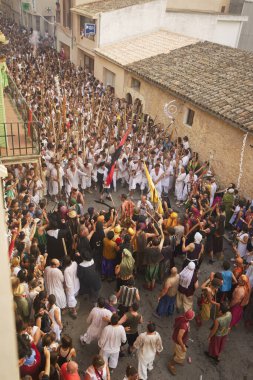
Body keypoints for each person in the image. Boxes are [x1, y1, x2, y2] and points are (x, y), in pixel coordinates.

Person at [167, 309, 195, 376]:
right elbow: (179, 338)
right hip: (179, 342)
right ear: (190, 319)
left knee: (176, 350)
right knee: (180, 357)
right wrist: (183, 347)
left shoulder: (182, 317)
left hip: (176, 339)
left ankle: (175, 356)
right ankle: (171, 365)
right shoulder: (184, 326)